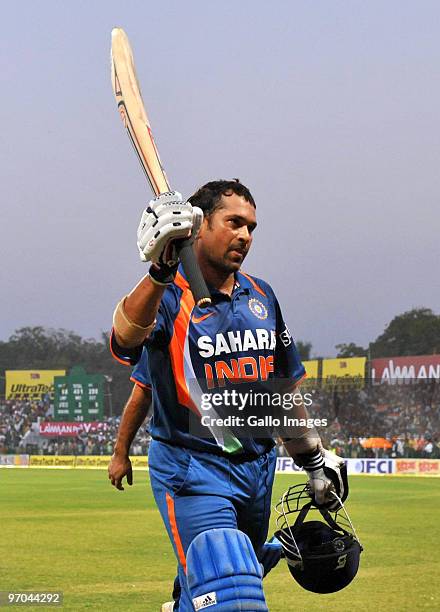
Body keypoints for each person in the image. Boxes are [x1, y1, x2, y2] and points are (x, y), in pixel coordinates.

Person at [109, 180, 347, 611]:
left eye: (252, 227)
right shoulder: (167, 296)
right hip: (192, 468)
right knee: (232, 594)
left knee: (233, 575)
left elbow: (283, 389)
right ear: (198, 226)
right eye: (234, 222)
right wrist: (158, 273)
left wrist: (314, 459)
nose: (245, 236)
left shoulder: (261, 295)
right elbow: (124, 340)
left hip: (258, 467)